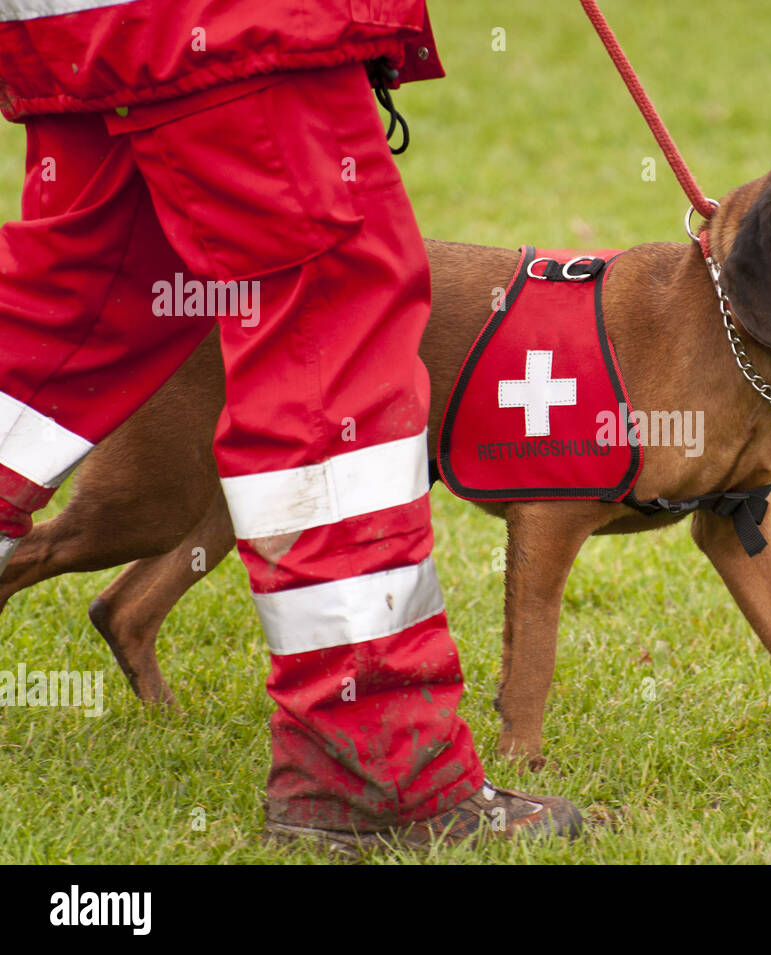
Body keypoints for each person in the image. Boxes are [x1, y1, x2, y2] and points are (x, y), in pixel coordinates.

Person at [0, 0, 579, 854]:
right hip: (228, 24)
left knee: (79, 303)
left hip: (92, 22)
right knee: (329, 323)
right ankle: (373, 765)